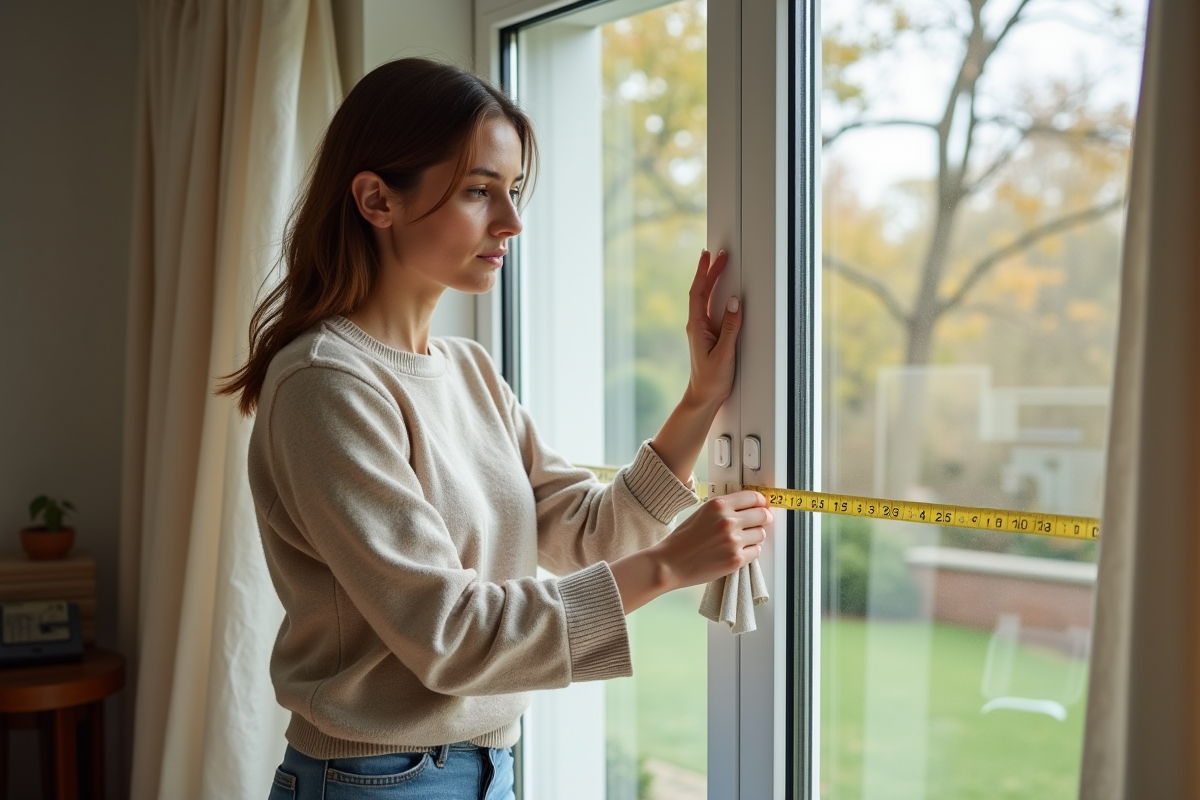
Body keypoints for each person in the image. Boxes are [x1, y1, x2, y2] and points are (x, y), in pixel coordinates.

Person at [220, 57, 771, 800]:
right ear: (376, 199)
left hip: (488, 767)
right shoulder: (326, 384)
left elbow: (588, 531)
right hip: (374, 779)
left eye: (511, 191)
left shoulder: (469, 370)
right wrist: (668, 567)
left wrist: (703, 398)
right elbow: (447, 634)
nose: (511, 221)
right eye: (479, 191)